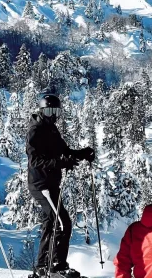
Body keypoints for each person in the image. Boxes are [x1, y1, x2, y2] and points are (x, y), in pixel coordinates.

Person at [27, 93, 95, 278]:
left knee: (51, 223)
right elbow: (35, 161)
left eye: (56, 111)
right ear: (42, 111)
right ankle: (55, 266)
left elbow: (64, 152)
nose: (53, 115)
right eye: (49, 110)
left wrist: (81, 153)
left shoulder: (51, 129)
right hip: (41, 184)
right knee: (62, 222)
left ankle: (43, 266)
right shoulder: (36, 130)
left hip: (51, 183)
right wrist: (60, 163)